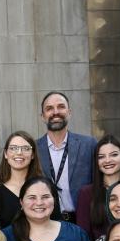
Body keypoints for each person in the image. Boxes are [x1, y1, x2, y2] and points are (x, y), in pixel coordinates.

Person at [36, 92, 96, 222]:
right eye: (49, 108)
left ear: (69, 112)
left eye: (61, 107)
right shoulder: (33, 149)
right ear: (42, 116)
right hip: (46, 222)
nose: (55, 112)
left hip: (83, 221)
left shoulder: (89, 145)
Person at [0, 131, 42, 228]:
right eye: (13, 148)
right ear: (6, 154)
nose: (19, 152)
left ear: (32, 154)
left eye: (25, 148)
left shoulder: (45, 188)